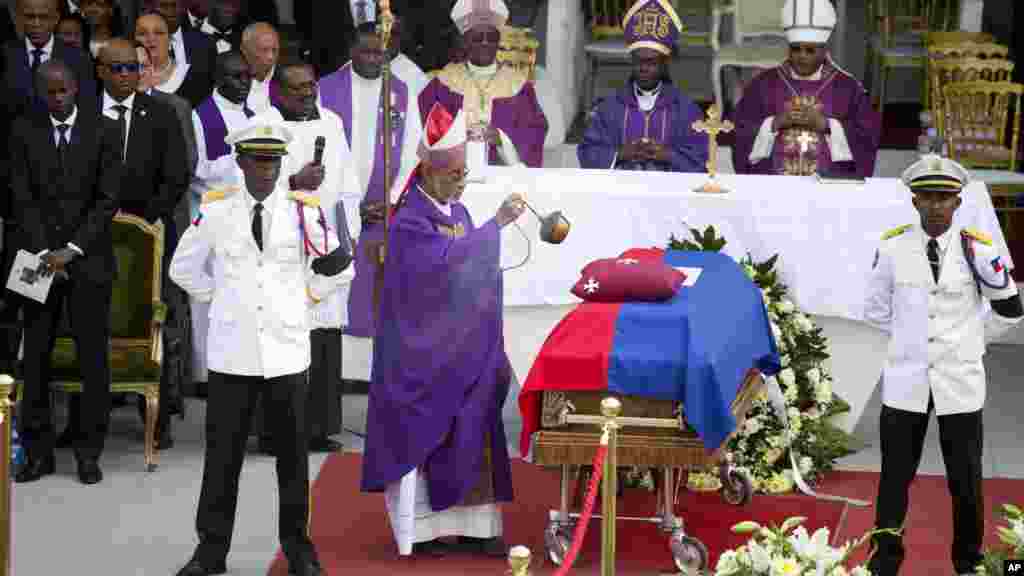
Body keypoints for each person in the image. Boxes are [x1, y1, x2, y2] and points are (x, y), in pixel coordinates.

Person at [170, 121, 353, 576]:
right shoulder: (216, 211)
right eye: (257, 159)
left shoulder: (303, 213)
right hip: (232, 353)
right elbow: (182, 269)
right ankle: (210, 552)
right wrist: (222, 298)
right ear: (241, 162)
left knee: (292, 460)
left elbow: (340, 268)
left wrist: (305, 298)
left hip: (287, 351)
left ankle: (299, 551)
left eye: (274, 159)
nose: (266, 169)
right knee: (223, 458)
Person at [361, 103, 524, 558]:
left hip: (459, 346)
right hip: (418, 353)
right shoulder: (409, 221)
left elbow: (475, 275)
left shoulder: (460, 213)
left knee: (481, 394)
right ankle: (426, 530)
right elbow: (439, 270)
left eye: (463, 171)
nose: (460, 180)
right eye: (453, 173)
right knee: (439, 409)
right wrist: (496, 226)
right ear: (428, 172)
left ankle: (477, 525)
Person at [864, 154, 1023, 576]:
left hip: (960, 379)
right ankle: (885, 558)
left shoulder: (979, 249)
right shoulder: (892, 246)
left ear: (958, 202)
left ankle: (968, 561)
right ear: (914, 201)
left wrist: (970, 341)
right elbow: (877, 310)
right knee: (895, 477)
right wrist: (911, 342)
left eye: (945, 198)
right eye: (927, 198)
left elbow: (1011, 309)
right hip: (906, 379)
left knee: (966, 479)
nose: (935, 206)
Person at [8, 60, 118, 485]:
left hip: (86, 259)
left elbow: (107, 200)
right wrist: (45, 253)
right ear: (40, 91)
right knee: (35, 357)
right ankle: (38, 453)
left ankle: (88, 453)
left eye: (63, 90)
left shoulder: (104, 129)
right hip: (35, 259)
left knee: (93, 358)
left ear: (76, 88)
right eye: (49, 92)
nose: (57, 98)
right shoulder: (22, 130)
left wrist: (69, 252)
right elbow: (20, 197)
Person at [249, 57, 360, 454]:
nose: (307, 92)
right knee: (281, 335)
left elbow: (347, 181)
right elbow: (245, 185)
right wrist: (294, 181)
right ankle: (274, 432)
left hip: (324, 239)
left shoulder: (331, 123)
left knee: (323, 337)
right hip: (281, 243)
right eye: (297, 88)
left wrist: (349, 234)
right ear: (277, 91)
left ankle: (318, 428)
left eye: (311, 85)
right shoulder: (262, 124)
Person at [319, 21, 423, 340]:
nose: (374, 60)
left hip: (382, 212)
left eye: (380, 53)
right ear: (351, 51)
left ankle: (366, 373)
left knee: (372, 295)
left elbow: (411, 153)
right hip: (335, 208)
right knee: (337, 293)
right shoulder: (326, 89)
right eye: (366, 52)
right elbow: (318, 150)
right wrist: (347, 205)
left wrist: (391, 200)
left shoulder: (401, 92)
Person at [731, 0, 880, 178]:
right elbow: (741, 132)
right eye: (796, 49)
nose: (802, 56)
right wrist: (774, 123)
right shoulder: (762, 85)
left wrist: (827, 126)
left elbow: (867, 138)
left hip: (829, 188)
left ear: (824, 50)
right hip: (774, 185)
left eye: (810, 50)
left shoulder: (849, 88)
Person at [187, 49, 253, 397]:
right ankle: (205, 374)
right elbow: (197, 171)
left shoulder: (256, 115)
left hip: (245, 220)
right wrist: (237, 164)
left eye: (247, 76)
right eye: (234, 76)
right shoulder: (202, 116)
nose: (243, 83)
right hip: (211, 218)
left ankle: (234, 370)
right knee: (208, 298)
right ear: (217, 78)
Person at [577, 0, 707, 172]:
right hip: (620, 194)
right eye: (638, 61)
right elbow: (587, 153)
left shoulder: (686, 111)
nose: (643, 68)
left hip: (668, 196)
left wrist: (666, 155)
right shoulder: (610, 108)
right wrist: (621, 154)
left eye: (651, 62)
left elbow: (703, 159)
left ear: (664, 63)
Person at [419, 0, 547, 168]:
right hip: (453, 179)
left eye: (492, 38)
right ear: (466, 41)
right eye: (478, 38)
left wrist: (501, 139)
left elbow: (534, 132)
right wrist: (459, 136)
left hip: (503, 178)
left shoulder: (518, 85)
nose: (485, 43)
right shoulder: (444, 84)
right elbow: (428, 131)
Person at [135, 10, 212, 107]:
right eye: (142, 33)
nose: (151, 39)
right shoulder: (127, 78)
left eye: (158, 33)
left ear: (171, 39)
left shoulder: (197, 77)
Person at [239, 21, 277, 113]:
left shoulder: (286, 79)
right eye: (264, 50)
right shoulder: (232, 81)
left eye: (275, 50)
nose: (270, 57)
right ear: (244, 49)